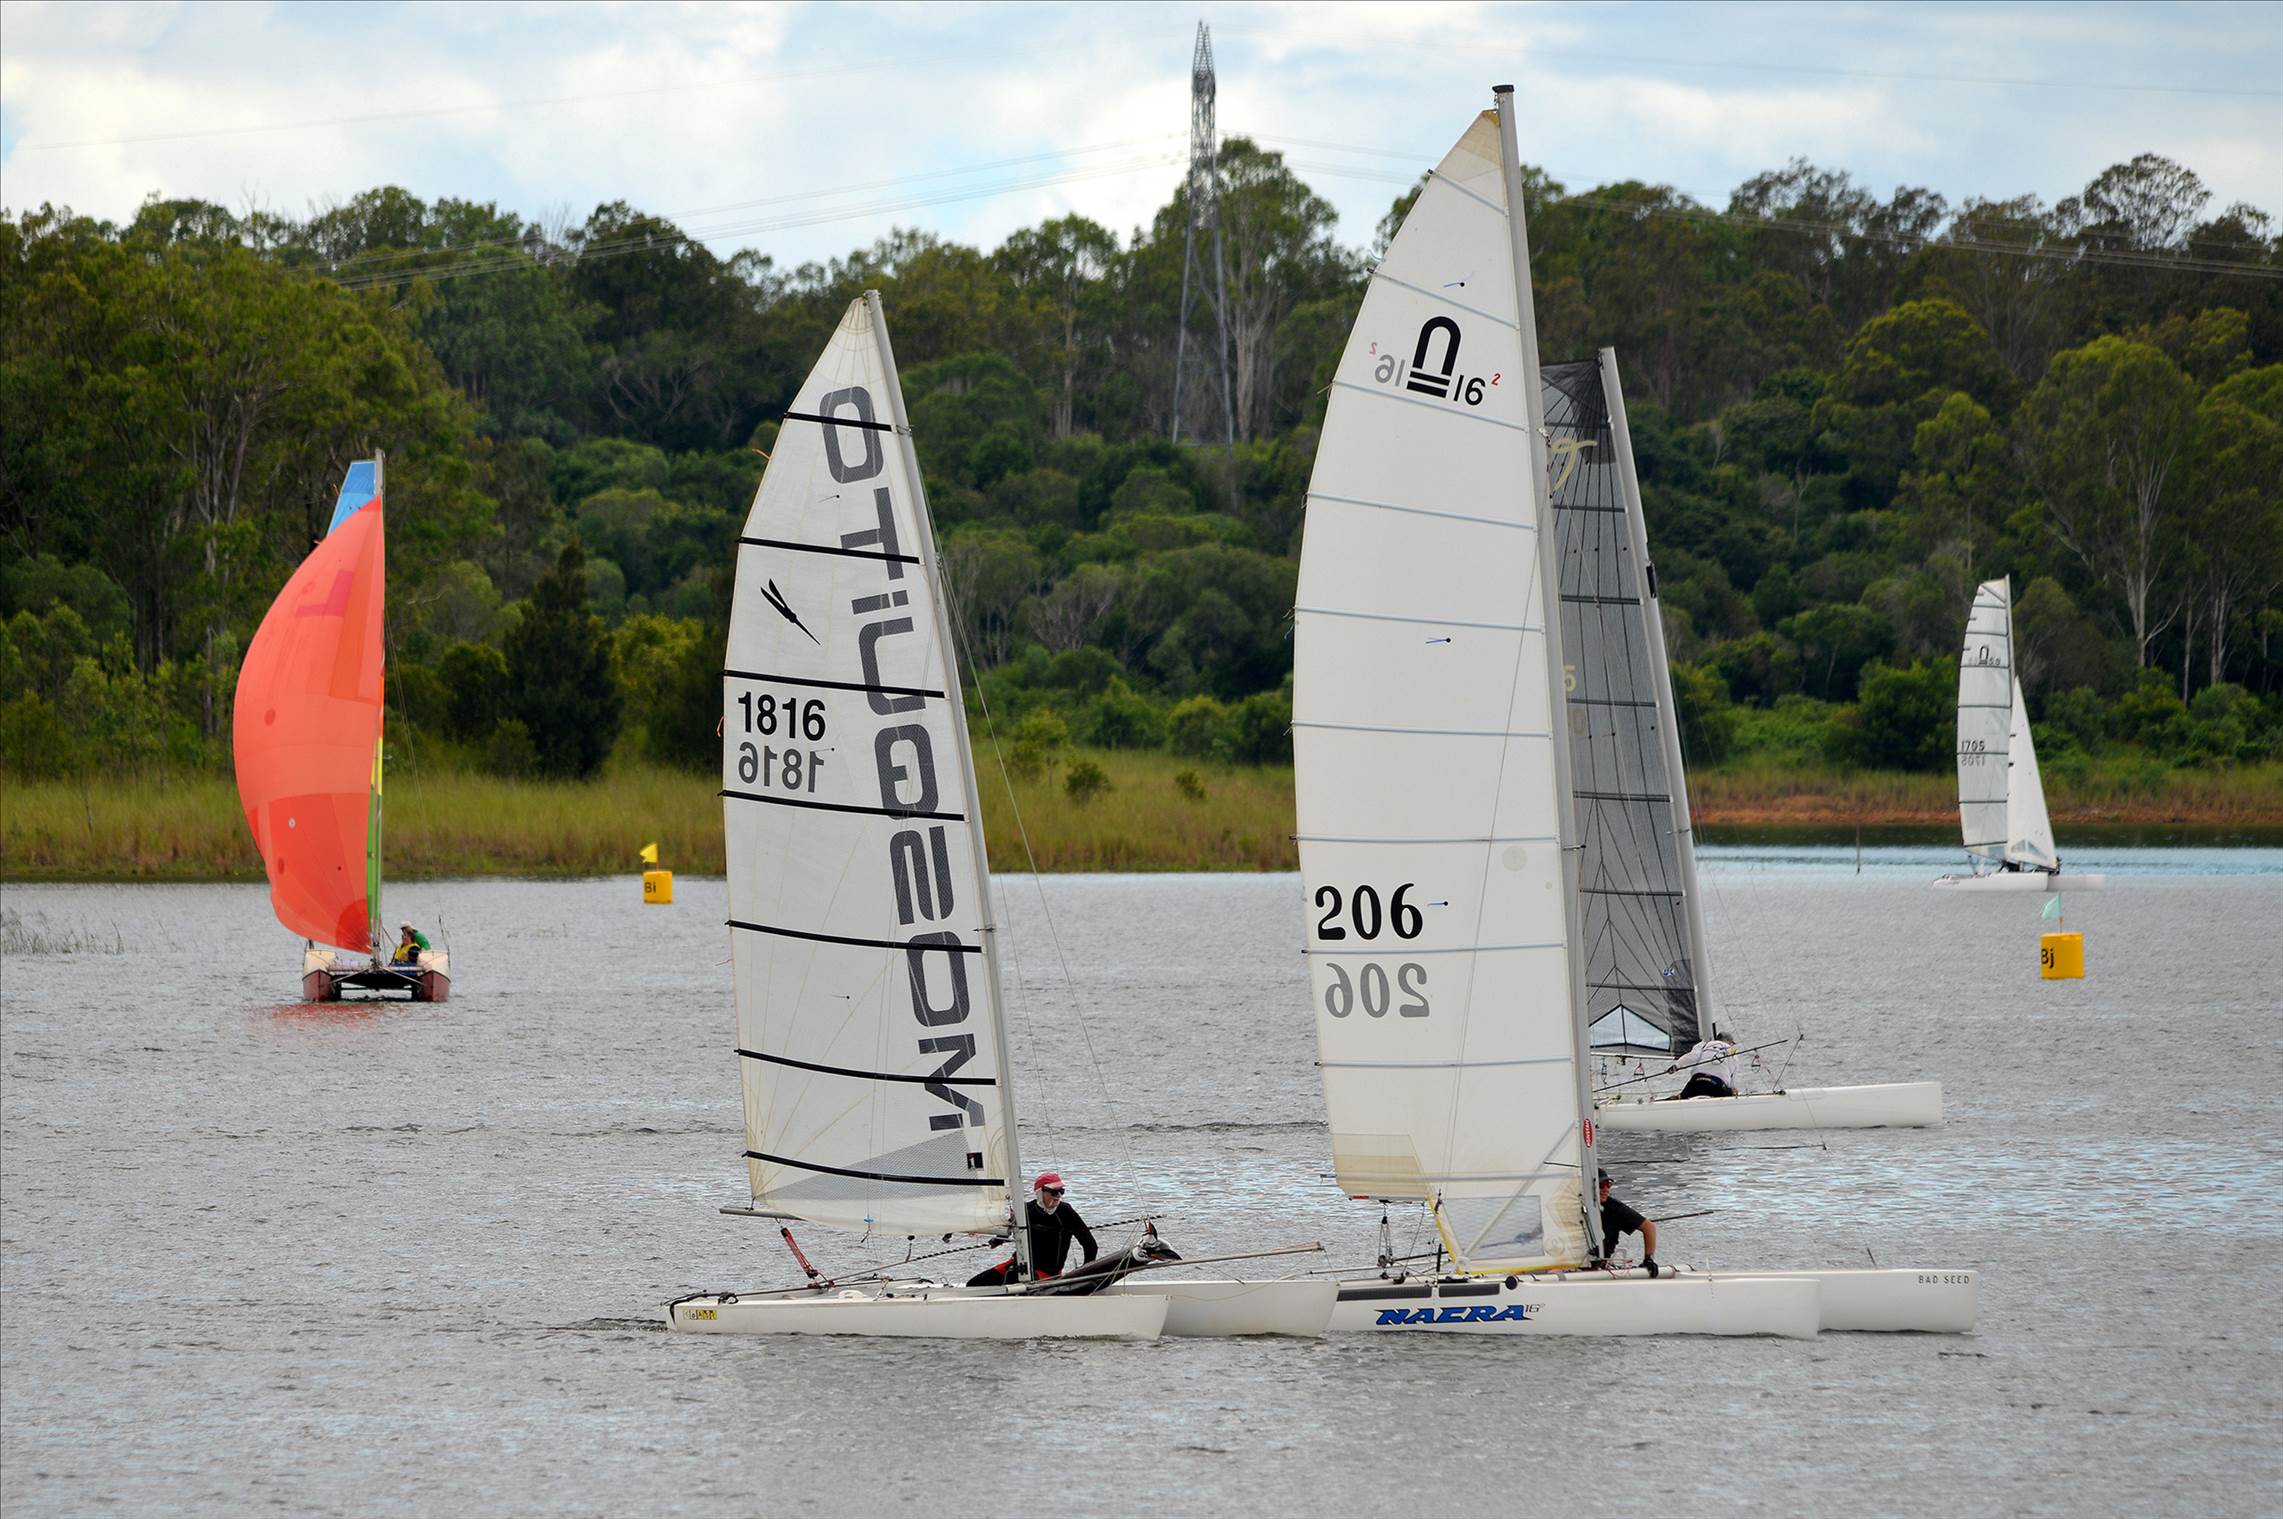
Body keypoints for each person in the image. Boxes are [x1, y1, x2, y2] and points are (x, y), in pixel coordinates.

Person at [965, 1172, 1099, 1287]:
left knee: (1011, 1277)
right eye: (1054, 1192)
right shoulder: (1025, 1210)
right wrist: (998, 1239)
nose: (1058, 1196)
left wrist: (1084, 1274)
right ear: (1040, 1192)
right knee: (974, 1284)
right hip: (1019, 1264)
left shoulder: (1066, 1212)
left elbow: (1090, 1245)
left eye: (1061, 1191)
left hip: (1048, 1273)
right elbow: (1009, 1228)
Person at [1598, 1170, 1659, 1277]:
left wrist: (1648, 1259)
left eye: (1608, 1185)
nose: (1606, 1189)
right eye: (1601, 1185)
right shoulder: (1572, 1204)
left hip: (1601, 1264)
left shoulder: (1614, 1208)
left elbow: (1649, 1227)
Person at [1665, 1028, 1738, 1098]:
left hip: (1696, 1083)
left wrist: (1676, 1066)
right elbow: (1733, 1071)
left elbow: (1691, 1057)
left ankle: (1680, 1096)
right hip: (1716, 1086)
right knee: (1732, 1091)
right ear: (1729, 1042)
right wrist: (1731, 1090)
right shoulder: (1731, 1050)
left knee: (1684, 1095)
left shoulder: (1703, 1045)